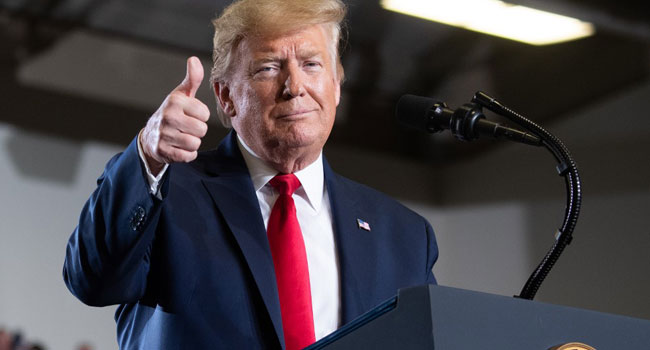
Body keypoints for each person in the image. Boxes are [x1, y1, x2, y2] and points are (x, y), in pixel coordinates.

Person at [63, 0, 438, 348]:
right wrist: (147, 151)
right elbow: (92, 280)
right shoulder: (166, 190)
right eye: (269, 68)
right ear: (225, 96)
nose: (295, 87)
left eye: (311, 64)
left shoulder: (404, 236)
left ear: (337, 85)